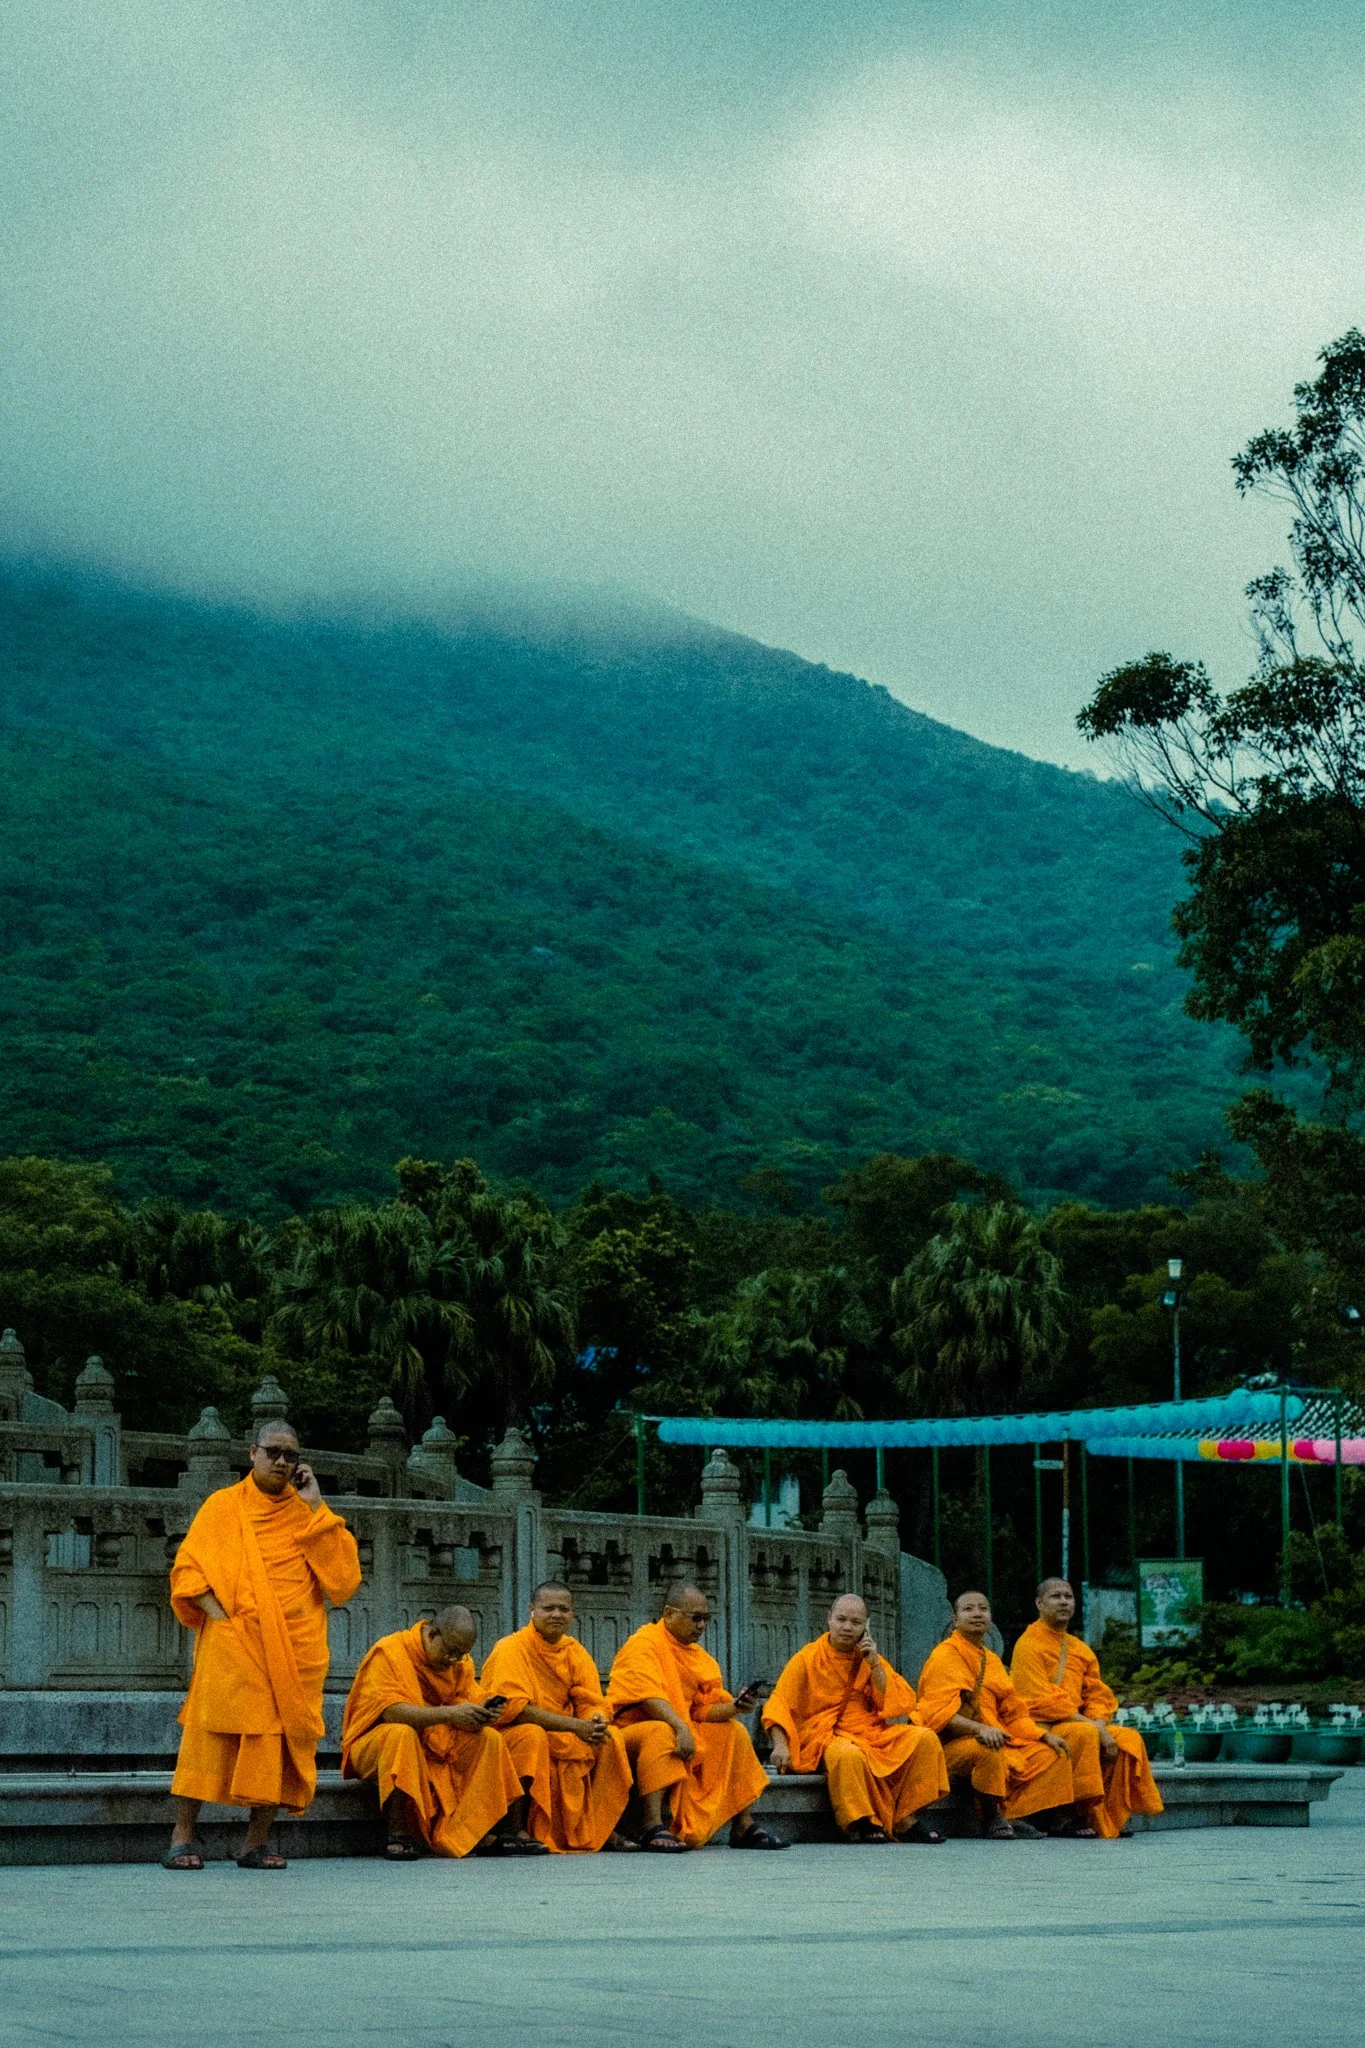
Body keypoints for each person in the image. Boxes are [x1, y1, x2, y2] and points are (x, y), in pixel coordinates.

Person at [163, 1422, 361, 1870]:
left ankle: (255, 1841)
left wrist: (317, 1510)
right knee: (207, 1736)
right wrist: (225, 1623)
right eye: (273, 1452)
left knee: (279, 1739)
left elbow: (343, 1582)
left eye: (291, 1455)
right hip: (233, 1641)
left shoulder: (307, 1511)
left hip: (294, 1646)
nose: (282, 1462)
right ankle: (182, 1834)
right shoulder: (223, 1506)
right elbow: (189, 1573)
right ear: (252, 1452)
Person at [479, 1582, 687, 1852]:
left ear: (573, 1614)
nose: (556, 1614)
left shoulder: (574, 1650)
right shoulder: (510, 1648)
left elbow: (590, 1698)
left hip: (569, 1731)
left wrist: (596, 1720)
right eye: (548, 1608)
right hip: (525, 1730)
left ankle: (600, 1829)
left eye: (563, 1609)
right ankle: (514, 1829)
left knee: (609, 1739)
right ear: (532, 1611)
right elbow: (514, 1709)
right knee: (531, 1737)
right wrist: (575, 1726)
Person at [607, 1582, 786, 1851]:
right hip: (631, 1734)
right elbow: (647, 1696)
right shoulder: (643, 1644)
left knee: (734, 1731)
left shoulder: (698, 1657)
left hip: (680, 1728)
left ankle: (743, 1825)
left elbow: (703, 1710)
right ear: (669, 1614)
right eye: (695, 1618)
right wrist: (681, 1727)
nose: (701, 1625)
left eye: (706, 1619)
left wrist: (736, 1707)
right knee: (661, 1731)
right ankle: (651, 1825)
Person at [341, 1605, 530, 1859]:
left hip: (433, 1739)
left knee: (489, 1739)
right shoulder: (390, 1652)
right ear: (431, 1634)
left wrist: (482, 1712)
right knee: (401, 1734)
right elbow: (390, 1712)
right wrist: (450, 1715)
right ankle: (398, 1834)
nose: (453, 1660)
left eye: (460, 1655)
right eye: (450, 1651)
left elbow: (466, 1696)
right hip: (374, 1744)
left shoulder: (459, 1662)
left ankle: (472, 1832)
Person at [763, 1594, 949, 1843]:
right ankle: (864, 1820)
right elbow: (779, 1702)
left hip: (869, 1731)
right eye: (841, 1619)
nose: (847, 1627)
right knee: (849, 1755)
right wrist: (781, 1744)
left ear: (866, 1626)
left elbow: (894, 1703)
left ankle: (904, 1817)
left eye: (856, 1622)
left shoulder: (870, 1658)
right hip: (826, 1735)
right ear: (829, 1619)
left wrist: (874, 1665)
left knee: (924, 1739)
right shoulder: (807, 1658)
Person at [916, 1590, 1078, 1840]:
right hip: (951, 1745)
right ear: (955, 1619)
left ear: (990, 1617)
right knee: (989, 1751)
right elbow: (939, 1714)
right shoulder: (944, 1656)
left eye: (983, 1608)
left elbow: (1013, 1712)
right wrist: (980, 1729)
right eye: (968, 1609)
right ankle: (991, 1816)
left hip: (994, 1736)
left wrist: (1043, 1736)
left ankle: (1015, 1815)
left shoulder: (990, 1660)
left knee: (1051, 1754)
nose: (977, 1614)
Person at [1009, 1578, 1164, 1839]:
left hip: (1079, 1721)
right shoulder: (1028, 1644)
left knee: (1128, 1739)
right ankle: (1066, 1816)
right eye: (1055, 1596)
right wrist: (1093, 1727)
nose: (1063, 1602)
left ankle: (1107, 1815)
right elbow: (1038, 1699)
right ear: (1039, 1603)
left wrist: (1100, 1723)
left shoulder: (1080, 1649)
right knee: (1084, 1734)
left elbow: (1098, 1695)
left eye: (1068, 1597)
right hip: (1039, 1725)